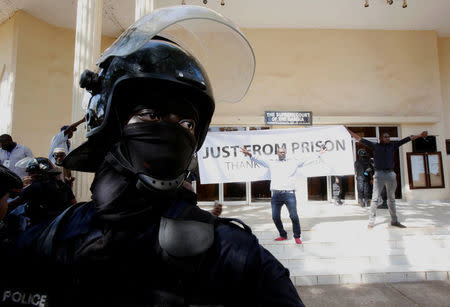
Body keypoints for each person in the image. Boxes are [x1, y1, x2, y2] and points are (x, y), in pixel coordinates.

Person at [1, 7, 304, 307]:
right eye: (150, 114)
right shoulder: (47, 243)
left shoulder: (233, 252)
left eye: (187, 123)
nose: (172, 131)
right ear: (110, 126)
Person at [241, 146, 325, 244]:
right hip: (276, 195)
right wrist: (249, 154)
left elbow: (306, 160)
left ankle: (297, 236)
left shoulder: (292, 162)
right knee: (275, 217)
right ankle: (283, 235)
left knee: (294, 216)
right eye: (280, 152)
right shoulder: (271, 162)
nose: (282, 154)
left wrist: (318, 154)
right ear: (277, 153)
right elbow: (259, 160)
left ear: (286, 153)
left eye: (283, 152)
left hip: (289, 194)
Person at [346, 127, 428, 229]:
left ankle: (394, 220)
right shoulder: (375, 146)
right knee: (375, 199)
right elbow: (359, 138)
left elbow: (408, 138)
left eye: (388, 137)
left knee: (391, 199)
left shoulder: (393, 146)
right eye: (385, 137)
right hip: (379, 174)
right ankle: (371, 221)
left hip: (390, 174)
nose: (387, 138)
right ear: (381, 138)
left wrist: (420, 135)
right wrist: (348, 131)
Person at [7, 157, 76, 227]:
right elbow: (73, 203)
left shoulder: (34, 187)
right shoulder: (63, 185)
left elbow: (14, 204)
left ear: (38, 173)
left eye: (31, 173)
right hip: (63, 223)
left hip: (41, 225)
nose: (29, 175)